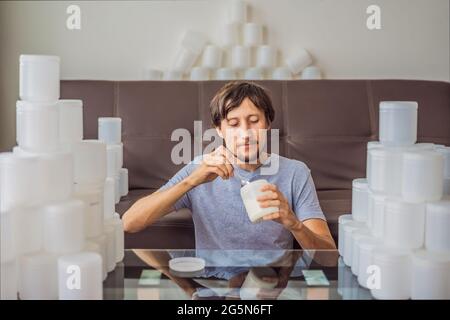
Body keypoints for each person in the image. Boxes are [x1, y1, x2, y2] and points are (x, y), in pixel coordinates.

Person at [123, 81, 336, 250]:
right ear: (219, 130)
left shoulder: (295, 172)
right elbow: (130, 223)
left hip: (269, 288)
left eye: (254, 120)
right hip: (213, 287)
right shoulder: (200, 170)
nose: (245, 133)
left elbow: (328, 257)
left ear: (268, 124)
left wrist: (293, 223)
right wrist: (190, 182)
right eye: (233, 124)